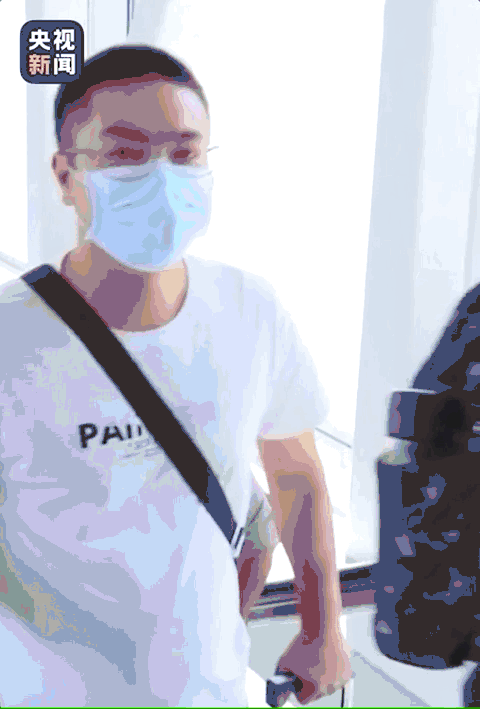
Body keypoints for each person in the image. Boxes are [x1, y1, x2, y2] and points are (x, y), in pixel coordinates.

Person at [0, 44, 352, 706]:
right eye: (124, 154)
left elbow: (296, 476)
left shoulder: (250, 308)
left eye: (184, 154)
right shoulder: (11, 337)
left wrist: (323, 626)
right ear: (66, 176)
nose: (160, 178)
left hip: (209, 691)